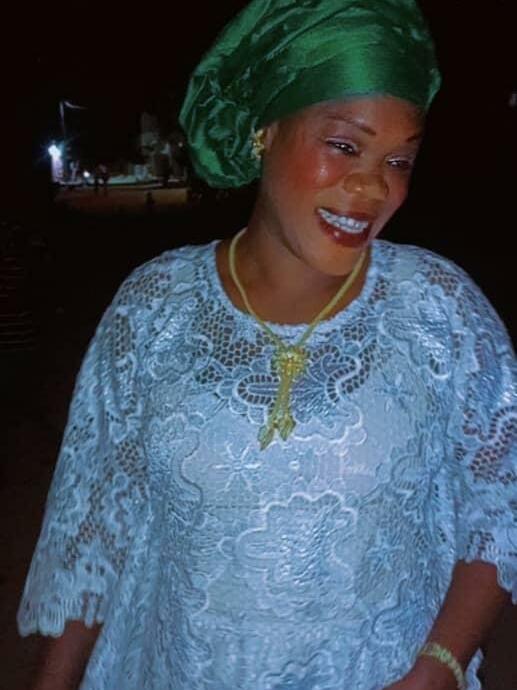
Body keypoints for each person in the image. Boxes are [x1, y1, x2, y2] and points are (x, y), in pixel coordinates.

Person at [18, 1, 516, 689]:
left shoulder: (438, 309)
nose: (374, 185)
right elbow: (99, 528)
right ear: (264, 131)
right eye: (344, 145)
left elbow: (501, 504)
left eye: (399, 159)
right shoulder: (154, 307)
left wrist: (439, 666)